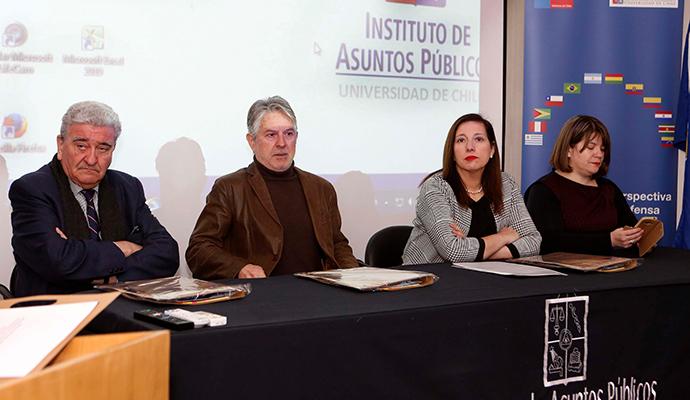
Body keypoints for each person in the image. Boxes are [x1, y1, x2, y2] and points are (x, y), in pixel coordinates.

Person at [9, 101, 179, 296]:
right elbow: (59, 261)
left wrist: (111, 278)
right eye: (81, 146)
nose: (91, 159)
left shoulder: (127, 187)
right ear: (61, 145)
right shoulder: (32, 189)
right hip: (53, 311)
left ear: (113, 150)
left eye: (103, 148)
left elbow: (167, 253)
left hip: (119, 306)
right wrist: (123, 247)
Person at [186, 96, 358, 279]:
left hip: (320, 295)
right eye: (271, 135)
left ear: (296, 138)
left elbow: (337, 244)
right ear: (252, 141)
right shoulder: (229, 188)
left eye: (289, 134)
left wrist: (355, 276)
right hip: (261, 297)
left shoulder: (321, 188)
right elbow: (199, 249)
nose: (282, 143)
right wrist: (239, 268)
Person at [402, 113, 541, 264]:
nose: (470, 147)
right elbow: (454, 251)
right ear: (452, 153)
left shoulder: (506, 184)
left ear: (492, 149)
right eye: (461, 140)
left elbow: (533, 241)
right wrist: (503, 237)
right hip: (429, 277)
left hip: (486, 277)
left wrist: (476, 250)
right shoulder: (435, 187)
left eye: (479, 139)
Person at [524, 115, 642, 256]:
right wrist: (608, 240)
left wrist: (640, 238)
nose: (599, 154)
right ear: (568, 149)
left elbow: (631, 228)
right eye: (591, 147)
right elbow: (548, 243)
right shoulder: (543, 191)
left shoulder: (609, 188)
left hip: (615, 272)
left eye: (602, 149)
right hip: (565, 276)